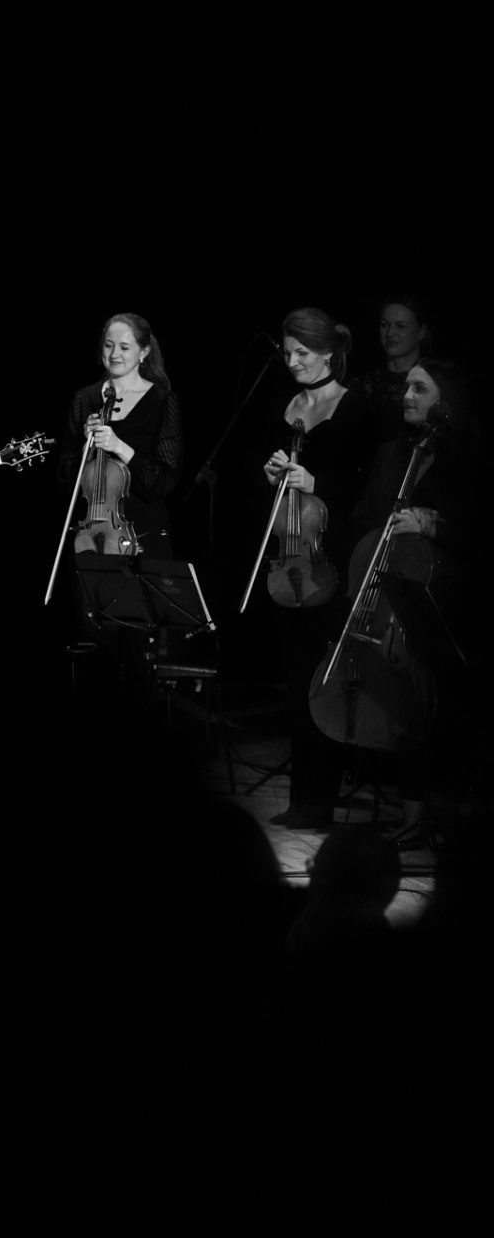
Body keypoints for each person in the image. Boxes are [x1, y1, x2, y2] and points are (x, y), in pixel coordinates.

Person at [331, 359, 477, 846]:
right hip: (394, 593)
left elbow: (479, 525)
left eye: (419, 388)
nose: (406, 396)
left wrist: (433, 525)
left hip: (449, 597)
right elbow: (364, 515)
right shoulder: (392, 453)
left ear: (445, 401)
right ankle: (410, 814)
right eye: (406, 387)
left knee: (447, 703)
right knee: (407, 697)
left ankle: (454, 817)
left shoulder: (469, 455)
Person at [261, 308, 380, 832]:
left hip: (331, 559)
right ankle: (300, 797)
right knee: (293, 680)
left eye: (302, 353)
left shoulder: (357, 410)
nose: (292, 363)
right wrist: (271, 475)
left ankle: (322, 800)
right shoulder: (284, 407)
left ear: (329, 353)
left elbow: (365, 491)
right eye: (287, 353)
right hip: (290, 551)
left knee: (322, 679)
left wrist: (316, 483)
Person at [58, 312, 184, 558]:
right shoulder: (84, 399)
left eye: (125, 347)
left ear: (144, 352)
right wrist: (87, 449)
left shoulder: (162, 401)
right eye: (109, 345)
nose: (114, 354)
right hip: (88, 536)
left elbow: (163, 483)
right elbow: (64, 482)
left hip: (143, 535)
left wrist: (118, 446)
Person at [351, 296, 433, 431]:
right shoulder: (360, 385)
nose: (390, 333)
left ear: (421, 332)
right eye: (384, 325)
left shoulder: (435, 381)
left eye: (401, 326)